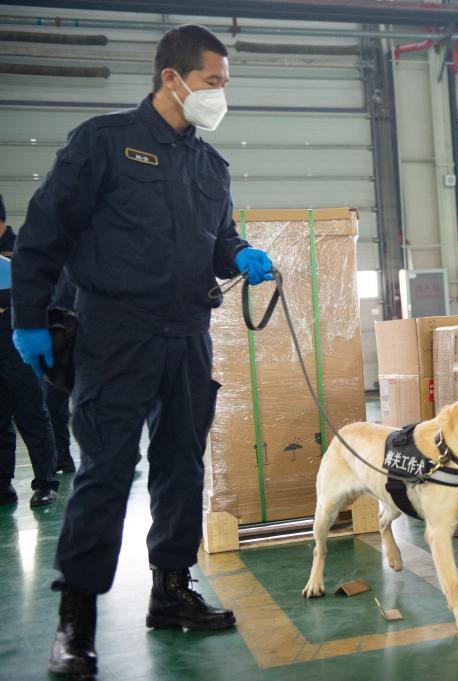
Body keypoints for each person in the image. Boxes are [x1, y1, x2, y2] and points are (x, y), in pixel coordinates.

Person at [10, 25, 274, 678]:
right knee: (105, 472)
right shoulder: (103, 143)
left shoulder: (211, 166)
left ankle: (171, 591)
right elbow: (44, 232)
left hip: (188, 334)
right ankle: (75, 623)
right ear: (172, 79)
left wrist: (240, 253)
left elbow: (219, 238)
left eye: (224, 84)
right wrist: (29, 319)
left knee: (181, 465)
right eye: (212, 82)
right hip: (114, 335)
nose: (220, 95)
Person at [0, 192, 60, 507]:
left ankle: (46, 483)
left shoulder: (21, 249)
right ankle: (2, 484)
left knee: (32, 415)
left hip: (19, 347)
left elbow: (41, 291)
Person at [46, 270, 79, 475]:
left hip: (88, 332)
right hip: (59, 337)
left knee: (96, 399)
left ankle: (124, 451)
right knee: (54, 402)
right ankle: (62, 456)